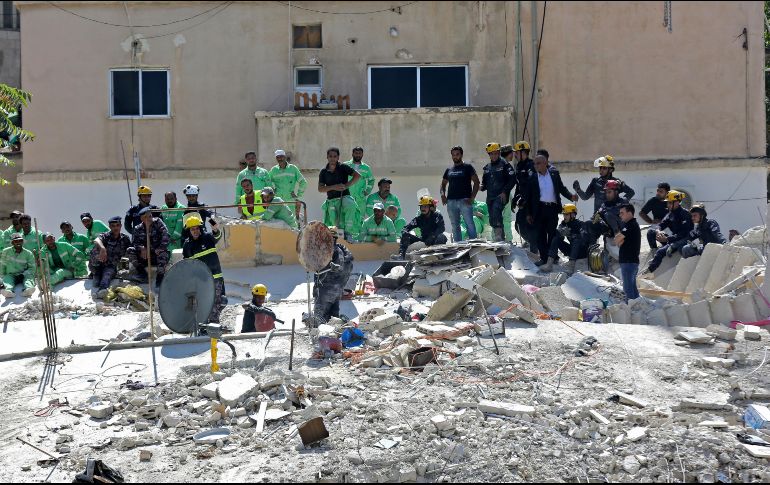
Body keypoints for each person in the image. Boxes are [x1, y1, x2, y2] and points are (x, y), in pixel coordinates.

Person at [525, 154, 576, 269]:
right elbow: (528, 198)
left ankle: (553, 257)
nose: (535, 166)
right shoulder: (533, 177)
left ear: (545, 163)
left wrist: (570, 196)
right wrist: (528, 213)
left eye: (538, 163)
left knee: (552, 234)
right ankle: (544, 258)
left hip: (552, 209)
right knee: (540, 235)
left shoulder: (554, 174)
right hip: (539, 209)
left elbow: (561, 188)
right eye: (534, 163)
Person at [182, 215, 226, 324]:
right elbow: (188, 265)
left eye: (197, 228)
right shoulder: (187, 245)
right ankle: (206, 325)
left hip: (216, 277)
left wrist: (213, 225)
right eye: (192, 229)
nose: (195, 231)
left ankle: (213, 325)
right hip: (201, 280)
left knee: (220, 301)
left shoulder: (208, 238)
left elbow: (217, 235)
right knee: (205, 302)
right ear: (189, 231)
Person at [643, 190, 693, 274]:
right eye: (668, 203)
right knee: (651, 232)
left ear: (677, 202)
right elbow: (661, 224)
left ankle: (649, 272)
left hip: (681, 242)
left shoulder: (685, 215)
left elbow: (683, 234)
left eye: (670, 203)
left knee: (660, 252)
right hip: (671, 239)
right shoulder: (671, 213)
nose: (668, 205)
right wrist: (658, 231)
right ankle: (654, 252)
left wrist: (667, 239)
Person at [313, 226, 354, 323]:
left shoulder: (330, 252)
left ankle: (321, 335)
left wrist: (317, 286)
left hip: (325, 290)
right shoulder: (341, 251)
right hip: (337, 290)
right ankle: (331, 335)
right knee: (333, 319)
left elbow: (324, 270)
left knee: (318, 319)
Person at [319, 147, 360, 241]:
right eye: (330, 156)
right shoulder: (323, 172)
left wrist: (346, 185)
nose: (332, 158)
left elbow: (357, 176)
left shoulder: (343, 167)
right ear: (327, 157)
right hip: (331, 200)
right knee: (335, 222)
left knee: (350, 206)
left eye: (335, 156)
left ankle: (349, 234)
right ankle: (338, 240)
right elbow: (320, 189)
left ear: (338, 157)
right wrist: (333, 187)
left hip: (344, 196)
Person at [441, 146, 480, 242]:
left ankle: (474, 246)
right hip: (451, 202)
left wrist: (472, 198)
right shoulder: (449, 169)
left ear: (461, 155)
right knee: (455, 225)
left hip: (465, 200)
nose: (455, 157)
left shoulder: (468, 167)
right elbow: (443, 184)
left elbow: (477, 182)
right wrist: (443, 195)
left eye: (457, 154)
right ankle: (458, 246)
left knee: (469, 224)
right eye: (453, 155)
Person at [480, 142, 516, 242]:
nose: (494, 156)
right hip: (490, 197)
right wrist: (478, 187)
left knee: (497, 211)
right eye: (491, 154)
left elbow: (512, 179)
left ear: (499, 153)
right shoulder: (487, 168)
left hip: (501, 196)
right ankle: (501, 238)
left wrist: (505, 192)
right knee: (492, 218)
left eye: (496, 153)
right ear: (489, 155)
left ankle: (499, 237)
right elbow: (484, 185)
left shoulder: (504, 164)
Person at [127, 207, 170, 289]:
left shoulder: (158, 222)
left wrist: (160, 248)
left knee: (164, 253)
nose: (150, 218)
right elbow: (135, 243)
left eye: (150, 216)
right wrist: (141, 248)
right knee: (130, 251)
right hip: (145, 256)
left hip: (157, 254)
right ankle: (143, 274)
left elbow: (166, 236)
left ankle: (160, 279)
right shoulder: (137, 228)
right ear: (142, 219)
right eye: (147, 217)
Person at [89, 217, 131, 298]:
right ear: (110, 227)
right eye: (113, 226)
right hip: (99, 265)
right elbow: (97, 240)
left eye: (117, 225)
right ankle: (96, 274)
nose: (115, 228)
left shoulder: (125, 238)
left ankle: (102, 290)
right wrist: (102, 248)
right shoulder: (106, 235)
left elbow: (129, 252)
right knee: (95, 248)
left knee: (107, 275)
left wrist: (124, 268)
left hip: (111, 266)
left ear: (120, 226)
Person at [545, 203, 589, 275]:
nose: (564, 216)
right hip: (572, 251)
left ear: (573, 215)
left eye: (566, 214)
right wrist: (560, 232)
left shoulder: (580, 224)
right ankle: (549, 264)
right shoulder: (563, 224)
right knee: (556, 239)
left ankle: (571, 268)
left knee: (576, 240)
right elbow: (559, 236)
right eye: (564, 214)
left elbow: (585, 238)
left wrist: (571, 234)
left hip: (582, 252)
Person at [268, 149, 307, 220]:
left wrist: (298, 196)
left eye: (281, 156)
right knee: (279, 222)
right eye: (278, 157)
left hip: (290, 201)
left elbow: (303, 182)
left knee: (292, 222)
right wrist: (272, 191)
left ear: (285, 157)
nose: (280, 159)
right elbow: (267, 182)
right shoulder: (273, 170)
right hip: (278, 201)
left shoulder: (293, 168)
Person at [343, 146, 375, 234]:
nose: (358, 155)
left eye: (360, 153)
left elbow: (371, 180)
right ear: (352, 154)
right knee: (347, 217)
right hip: (347, 196)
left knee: (360, 217)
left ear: (362, 154)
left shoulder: (366, 168)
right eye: (356, 153)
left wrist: (367, 191)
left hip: (360, 198)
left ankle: (358, 237)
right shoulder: (345, 165)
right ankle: (347, 236)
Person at [511, 141, 535, 246]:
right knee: (518, 225)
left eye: (516, 152)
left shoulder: (532, 165)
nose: (515, 155)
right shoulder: (519, 166)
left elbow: (532, 186)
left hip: (531, 201)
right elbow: (519, 184)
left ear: (523, 152)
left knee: (531, 224)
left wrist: (526, 199)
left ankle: (535, 245)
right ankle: (531, 241)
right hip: (522, 201)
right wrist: (515, 199)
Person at [615, 204, 641, 301]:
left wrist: (619, 240)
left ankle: (630, 313)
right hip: (629, 262)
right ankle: (637, 310)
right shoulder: (629, 225)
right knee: (633, 290)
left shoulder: (631, 225)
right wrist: (619, 240)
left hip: (628, 262)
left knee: (628, 290)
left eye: (622, 213)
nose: (620, 215)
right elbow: (618, 241)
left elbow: (617, 239)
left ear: (629, 213)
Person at [0, 233, 36, 297]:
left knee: (29, 278)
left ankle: (28, 289)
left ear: (22, 242)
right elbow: (2, 266)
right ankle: (8, 292)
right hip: (11, 275)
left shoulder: (28, 253)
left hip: (23, 274)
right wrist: (2, 279)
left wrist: (23, 274)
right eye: (16, 241)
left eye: (20, 240)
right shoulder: (5, 251)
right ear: (12, 243)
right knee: (8, 280)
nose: (18, 242)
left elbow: (32, 268)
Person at [641, 182, 671, 248]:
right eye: (657, 190)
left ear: (667, 193)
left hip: (670, 226)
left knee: (669, 243)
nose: (658, 193)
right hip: (658, 226)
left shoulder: (671, 201)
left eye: (661, 191)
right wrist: (651, 221)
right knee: (650, 233)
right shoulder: (653, 200)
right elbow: (642, 213)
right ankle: (654, 250)